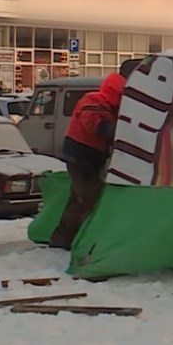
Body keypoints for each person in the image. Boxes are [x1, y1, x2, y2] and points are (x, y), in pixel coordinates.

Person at [49, 59, 140, 250]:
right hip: (81, 158)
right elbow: (94, 125)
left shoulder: (109, 104)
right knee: (91, 201)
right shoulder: (95, 101)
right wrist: (117, 131)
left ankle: (62, 240)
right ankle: (87, 242)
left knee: (78, 201)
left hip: (86, 158)